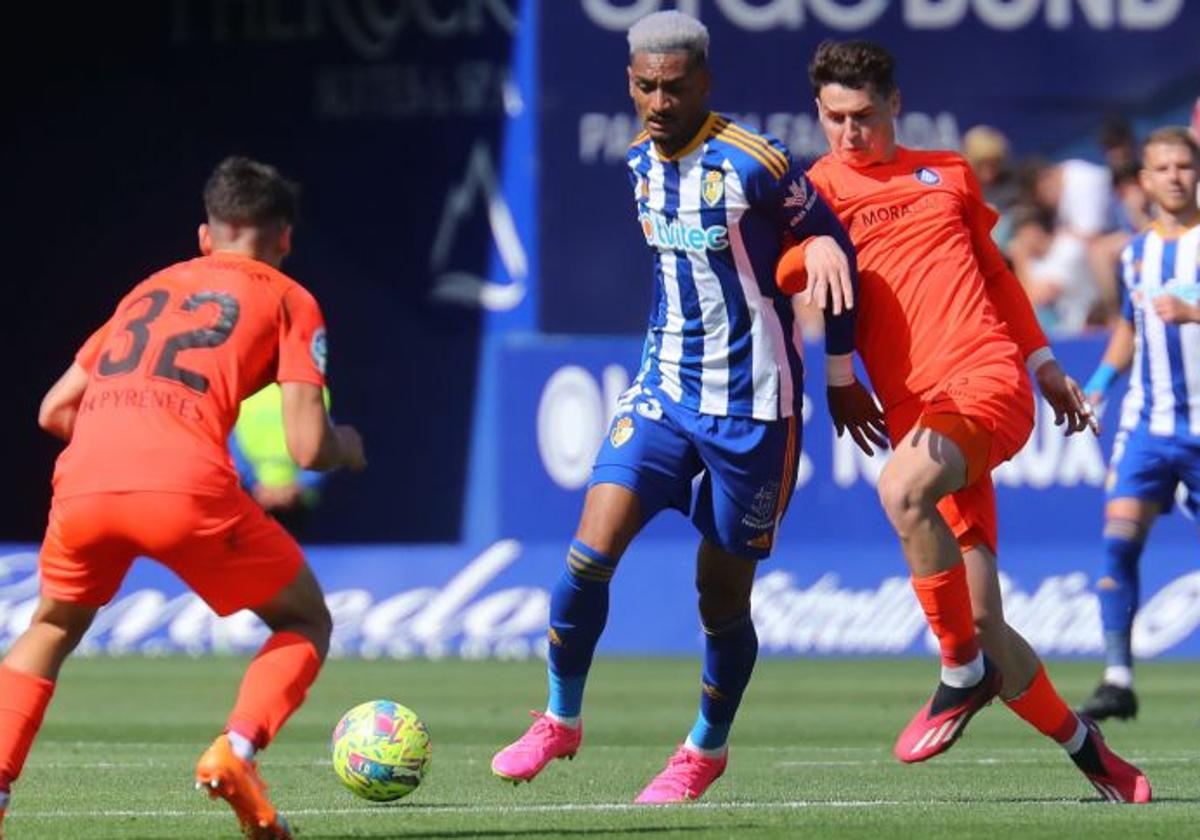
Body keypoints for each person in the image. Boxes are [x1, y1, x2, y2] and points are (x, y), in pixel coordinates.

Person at [490, 10, 861, 805]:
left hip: (755, 409)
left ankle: (705, 747)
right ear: (631, 83)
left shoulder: (756, 162)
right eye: (646, 87)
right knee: (588, 554)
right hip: (663, 389)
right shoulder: (637, 163)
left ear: (705, 82)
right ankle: (559, 717)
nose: (659, 102)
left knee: (720, 596)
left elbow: (831, 244)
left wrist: (838, 362)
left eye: (675, 87)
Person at [776, 40, 1150, 803]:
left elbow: (995, 272)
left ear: (895, 105)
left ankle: (956, 674)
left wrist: (1044, 364)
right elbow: (782, 271)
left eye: (866, 117)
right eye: (836, 118)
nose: (851, 133)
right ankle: (1095, 756)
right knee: (985, 618)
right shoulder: (813, 192)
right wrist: (807, 252)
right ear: (820, 113)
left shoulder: (945, 170)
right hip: (919, 415)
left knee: (901, 490)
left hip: (984, 382)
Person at [0, 157, 366, 839]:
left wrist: (124, 436)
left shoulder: (148, 290)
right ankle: (238, 749)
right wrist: (348, 444)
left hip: (83, 482)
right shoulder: (290, 297)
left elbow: (54, 410)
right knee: (304, 620)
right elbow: (307, 445)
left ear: (206, 236)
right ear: (283, 239)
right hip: (185, 485)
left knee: (49, 628)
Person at [1077, 127, 1200, 722]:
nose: (1175, 176)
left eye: (1184, 165)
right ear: (1145, 181)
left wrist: (1194, 309)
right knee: (1118, 542)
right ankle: (1118, 677)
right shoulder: (1134, 254)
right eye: (1163, 167)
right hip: (1149, 426)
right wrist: (1098, 387)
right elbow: (1129, 328)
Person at [231, 383, 331, 538]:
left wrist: (301, 485)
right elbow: (230, 443)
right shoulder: (241, 388)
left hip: (299, 505)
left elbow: (324, 443)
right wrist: (253, 486)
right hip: (252, 501)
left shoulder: (312, 388)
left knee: (293, 555)